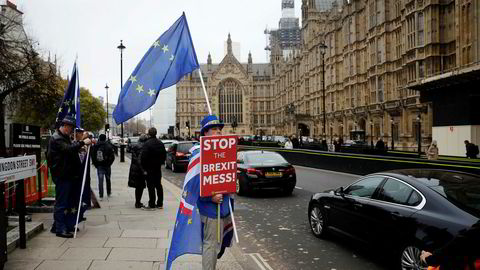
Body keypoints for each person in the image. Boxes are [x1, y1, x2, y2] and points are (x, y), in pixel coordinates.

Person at [197, 114, 234, 269]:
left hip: (225, 207)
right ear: (206, 133)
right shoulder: (199, 154)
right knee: (211, 246)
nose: (218, 132)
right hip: (211, 210)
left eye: (219, 129)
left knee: (220, 244)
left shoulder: (225, 151)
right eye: (214, 129)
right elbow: (194, 187)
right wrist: (209, 198)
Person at [47, 115, 92, 238]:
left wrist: (79, 148)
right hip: (62, 175)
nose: (70, 130)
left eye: (71, 127)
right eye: (68, 127)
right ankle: (60, 229)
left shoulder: (64, 137)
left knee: (66, 201)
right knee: (61, 203)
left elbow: (70, 151)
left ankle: (58, 225)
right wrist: (82, 142)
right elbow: (67, 149)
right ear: (63, 126)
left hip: (67, 174)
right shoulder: (57, 138)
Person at [140, 127, 166, 209]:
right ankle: (160, 203)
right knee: (158, 185)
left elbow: (143, 157)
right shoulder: (160, 143)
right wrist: (160, 162)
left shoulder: (147, 144)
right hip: (157, 167)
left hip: (149, 167)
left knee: (150, 186)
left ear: (149, 134)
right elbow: (164, 155)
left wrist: (143, 168)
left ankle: (152, 203)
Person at [91, 134, 115, 200]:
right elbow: (113, 157)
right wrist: (109, 163)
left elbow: (93, 156)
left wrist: (96, 165)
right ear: (105, 138)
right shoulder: (109, 146)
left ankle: (101, 194)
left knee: (100, 180)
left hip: (99, 165)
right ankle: (109, 192)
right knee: (108, 179)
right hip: (107, 165)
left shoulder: (95, 146)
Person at [128, 134, 148, 208]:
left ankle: (137, 201)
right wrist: (143, 170)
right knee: (141, 186)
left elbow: (134, 158)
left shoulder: (135, 146)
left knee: (138, 186)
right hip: (140, 169)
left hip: (134, 168)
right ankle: (138, 203)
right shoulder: (143, 147)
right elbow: (140, 160)